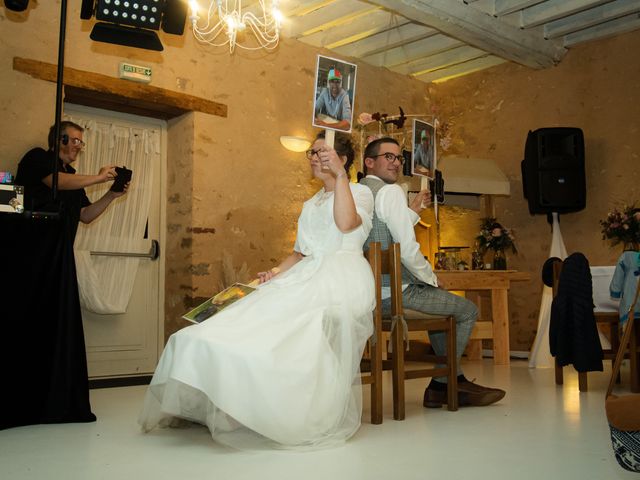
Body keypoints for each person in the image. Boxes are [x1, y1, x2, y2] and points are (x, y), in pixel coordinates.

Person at [139, 133, 375, 449]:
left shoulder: (359, 192)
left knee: (287, 326)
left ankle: (282, 406)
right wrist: (274, 273)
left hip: (341, 276)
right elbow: (300, 253)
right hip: (305, 274)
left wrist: (341, 178)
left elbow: (346, 224)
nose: (315, 158)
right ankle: (233, 399)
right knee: (238, 316)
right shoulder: (309, 203)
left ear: (342, 159)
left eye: (323, 152)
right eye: (312, 152)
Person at [0, 120, 128, 430]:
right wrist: (98, 176)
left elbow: (85, 216)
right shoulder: (37, 159)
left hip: (60, 260)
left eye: (81, 142)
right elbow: (53, 181)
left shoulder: (73, 178)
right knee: (23, 324)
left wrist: (111, 194)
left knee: (54, 328)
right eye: (74, 140)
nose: (78, 146)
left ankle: (53, 401)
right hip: (29, 259)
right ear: (58, 140)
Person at [360, 137, 506, 408]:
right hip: (397, 293)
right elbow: (405, 249)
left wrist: (412, 212)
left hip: (368, 295)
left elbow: (382, 232)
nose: (396, 163)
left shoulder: (358, 192)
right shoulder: (391, 193)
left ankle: (451, 380)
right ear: (369, 161)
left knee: (444, 311)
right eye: (388, 157)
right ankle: (445, 382)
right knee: (467, 310)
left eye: (398, 158)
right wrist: (430, 278)